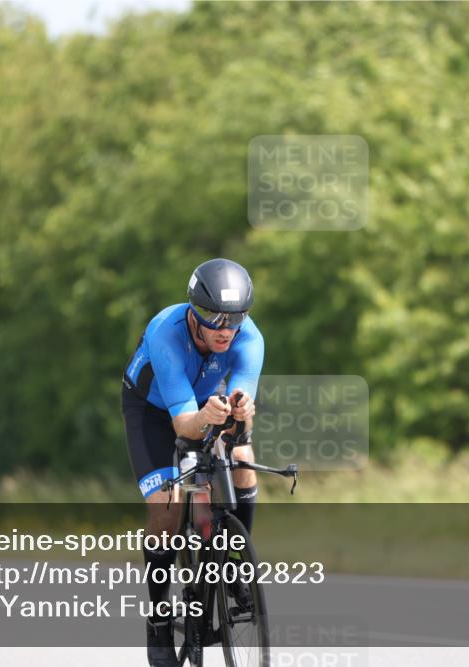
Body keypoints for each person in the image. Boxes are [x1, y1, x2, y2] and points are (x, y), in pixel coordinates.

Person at [121, 258, 263, 667]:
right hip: (153, 410)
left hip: (205, 402)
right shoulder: (166, 332)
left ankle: (235, 563)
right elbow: (183, 425)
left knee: (242, 457)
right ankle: (160, 617)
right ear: (193, 311)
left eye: (234, 318)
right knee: (167, 506)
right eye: (212, 316)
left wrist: (241, 410)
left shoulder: (250, 338)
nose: (224, 328)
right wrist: (205, 419)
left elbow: (240, 420)